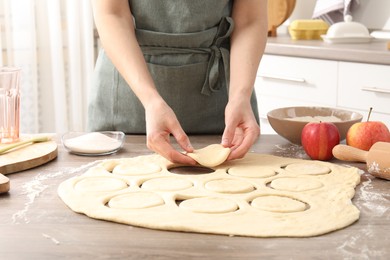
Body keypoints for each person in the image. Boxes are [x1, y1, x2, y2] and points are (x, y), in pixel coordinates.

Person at [88, 0, 268, 165]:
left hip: (223, 105)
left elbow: (249, 20)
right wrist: (150, 101)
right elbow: (112, 14)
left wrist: (240, 95)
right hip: (128, 99)